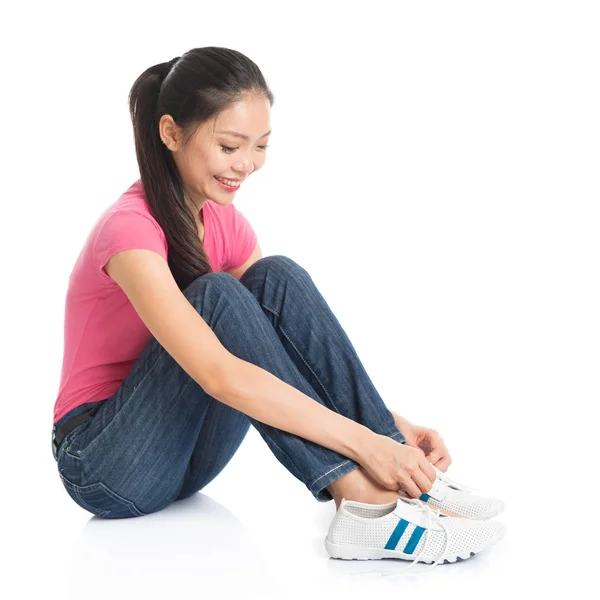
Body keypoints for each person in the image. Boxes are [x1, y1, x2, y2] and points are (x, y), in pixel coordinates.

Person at [51, 46, 505, 568]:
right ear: (171, 133)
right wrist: (363, 445)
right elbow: (220, 375)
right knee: (216, 295)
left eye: (260, 146)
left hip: (187, 459)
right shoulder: (129, 232)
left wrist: (390, 429)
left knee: (276, 277)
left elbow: (277, 351)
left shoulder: (226, 223)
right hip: (105, 464)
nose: (246, 165)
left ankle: (398, 478)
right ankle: (363, 501)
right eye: (229, 146)